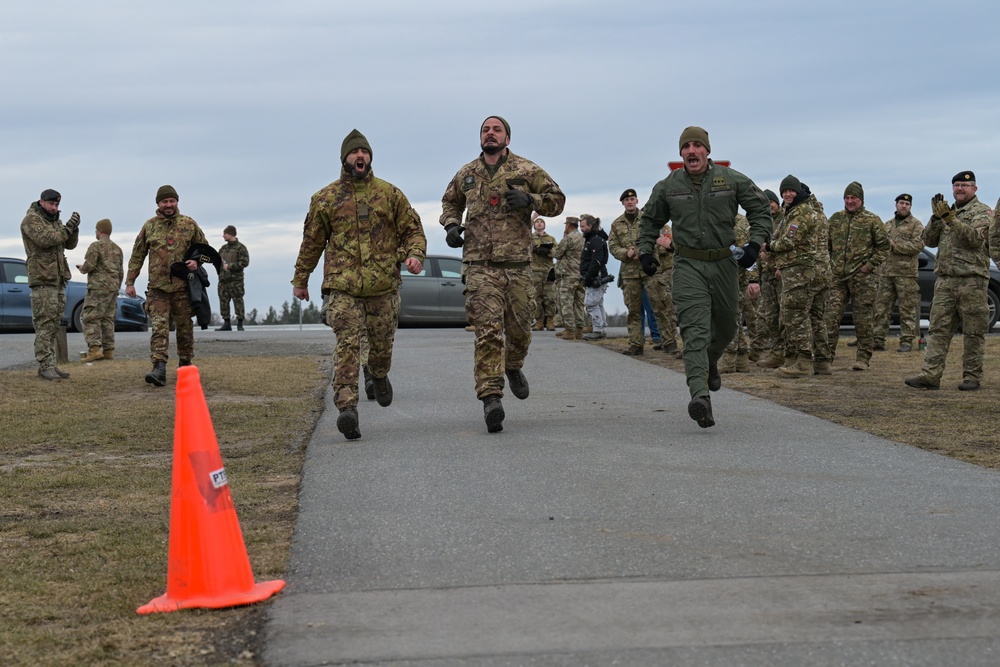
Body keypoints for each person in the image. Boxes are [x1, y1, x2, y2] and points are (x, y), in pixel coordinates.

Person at [292, 129, 426, 440]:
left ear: (370, 157)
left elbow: (413, 231)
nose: (360, 156)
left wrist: (415, 255)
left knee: (380, 346)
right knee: (347, 343)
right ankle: (347, 409)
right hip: (342, 287)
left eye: (364, 152)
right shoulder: (325, 199)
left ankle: (378, 373)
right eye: (354, 153)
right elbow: (311, 243)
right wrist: (301, 279)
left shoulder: (390, 194)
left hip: (383, 287)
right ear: (345, 158)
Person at [637, 127, 771, 428]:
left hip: (724, 263)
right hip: (688, 265)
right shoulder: (668, 186)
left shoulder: (731, 179)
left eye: (698, 146)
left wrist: (754, 243)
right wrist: (646, 252)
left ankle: (709, 364)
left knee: (726, 327)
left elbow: (761, 211)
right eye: (686, 147)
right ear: (680, 153)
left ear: (707, 151)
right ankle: (700, 396)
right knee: (695, 329)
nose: (692, 151)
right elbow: (649, 222)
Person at [440, 116, 565, 433]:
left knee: (521, 329)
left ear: (507, 139)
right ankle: (491, 397)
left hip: (518, 268)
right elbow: (450, 202)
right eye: (485, 130)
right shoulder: (467, 174)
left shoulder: (526, 170)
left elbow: (557, 201)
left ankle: (513, 365)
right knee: (488, 332)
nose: (490, 134)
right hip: (480, 267)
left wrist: (531, 200)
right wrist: (452, 225)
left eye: (496, 130)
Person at [906, 171, 993, 391]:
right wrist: (936, 218)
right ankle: (930, 376)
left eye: (965, 186)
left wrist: (951, 220)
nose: (959, 189)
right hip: (945, 281)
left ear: (975, 189)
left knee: (973, 332)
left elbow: (975, 239)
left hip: (971, 281)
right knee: (938, 330)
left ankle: (972, 377)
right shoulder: (946, 212)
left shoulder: (982, 212)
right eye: (956, 186)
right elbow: (927, 240)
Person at [126, 185, 209, 387]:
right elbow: (137, 255)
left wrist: (197, 261)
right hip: (158, 289)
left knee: (184, 328)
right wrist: (130, 281)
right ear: (158, 204)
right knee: (159, 328)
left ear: (177, 202)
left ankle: (186, 365)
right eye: (165, 201)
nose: (169, 205)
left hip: (183, 288)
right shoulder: (150, 226)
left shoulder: (189, 224)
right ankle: (159, 368)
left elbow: (206, 251)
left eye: (172, 201)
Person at [767, 176, 830, 378]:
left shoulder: (802, 213)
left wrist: (768, 247)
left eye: (791, 191)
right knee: (811, 316)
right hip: (805, 269)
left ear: (799, 192)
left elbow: (788, 241)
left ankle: (803, 362)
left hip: (800, 270)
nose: (787, 194)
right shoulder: (796, 211)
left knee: (795, 314)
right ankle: (820, 362)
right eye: (784, 191)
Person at [824, 182, 890, 370]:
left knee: (862, 318)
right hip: (837, 278)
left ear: (861, 199)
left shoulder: (872, 220)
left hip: (863, 278)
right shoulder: (835, 219)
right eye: (847, 198)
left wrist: (869, 266)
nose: (850, 201)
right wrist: (830, 265)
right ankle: (825, 358)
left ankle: (863, 358)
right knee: (830, 317)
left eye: (854, 198)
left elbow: (884, 247)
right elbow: (826, 245)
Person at [20, 188, 80, 380]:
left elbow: (69, 244)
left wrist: (74, 229)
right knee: (44, 323)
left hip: (57, 278)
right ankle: (45, 365)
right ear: (42, 202)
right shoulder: (31, 220)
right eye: (52, 204)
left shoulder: (55, 221)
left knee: (54, 323)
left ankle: (50, 365)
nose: (54, 208)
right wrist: (67, 228)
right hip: (42, 278)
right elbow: (46, 240)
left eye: (57, 205)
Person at [609, 188, 674, 356]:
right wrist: (626, 253)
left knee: (660, 305)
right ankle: (636, 344)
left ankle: (668, 342)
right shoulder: (616, 224)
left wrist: (648, 250)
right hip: (630, 273)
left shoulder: (648, 219)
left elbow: (663, 240)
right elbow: (613, 246)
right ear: (623, 203)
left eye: (632, 200)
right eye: (626, 200)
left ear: (637, 201)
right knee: (634, 310)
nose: (630, 202)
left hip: (650, 269)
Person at [872, 194, 924, 353]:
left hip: (906, 274)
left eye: (907, 204)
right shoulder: (887, 225)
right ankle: (877, 339)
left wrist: (895, 245)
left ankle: (906, 341)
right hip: (886, 273)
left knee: (907, 309)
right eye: (901, 203)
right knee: (881, 308)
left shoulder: (916, 225)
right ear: (896, 204)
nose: (904, 206)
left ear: (910, 206)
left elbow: (918, 246)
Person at [75, 219, 124, 363]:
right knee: (108, 319)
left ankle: (94, 350)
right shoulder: (118, 249)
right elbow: (120, 271)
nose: (96, 233)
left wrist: (82, 268)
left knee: (90, 317)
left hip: (97, 287)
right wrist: (116, 286)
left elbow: (90, 265)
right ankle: (108, 351)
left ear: (100, 231)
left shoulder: (95, 246)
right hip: (113, 288)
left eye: (96, 230)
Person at [754, 190, 785, 368]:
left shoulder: (786, 220)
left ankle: (790, 352)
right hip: (765, 276)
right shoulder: (760, 222)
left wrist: (778, 264)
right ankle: (777, 352)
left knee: (786, 316)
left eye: (770, 202)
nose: (768, 206)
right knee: (770, 317)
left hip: (781, 274)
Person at [553, 216, 586, 340]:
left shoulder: (568, 238)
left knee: (566, 302)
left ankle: (570, 330)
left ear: (568, 225)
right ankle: (579, 330)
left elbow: (557, 254)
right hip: (581, 274)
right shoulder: (583, 237)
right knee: (579, 303)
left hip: (568, 274)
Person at [579, 214, 610, 341]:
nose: (581, 228)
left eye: (583, 226)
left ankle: (597, 330)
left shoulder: (595, 240)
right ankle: (601, 328)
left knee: (590, 303)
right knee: (598, 303)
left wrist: (588, 277)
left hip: (596, 277)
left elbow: (596, 261)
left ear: (590, 226)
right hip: (596, 275)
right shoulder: (592, 239)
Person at [216, 225, 250, 331]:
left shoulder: (241, 248)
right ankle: (227, 323)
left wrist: (230, 266)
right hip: (223, 280)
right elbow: (217, 260)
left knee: (238, 300)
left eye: (225, 233)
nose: (223, 236)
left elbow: (244, 262)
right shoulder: (223, 248)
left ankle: (240, 323)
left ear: (231, 234)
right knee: (223, 301)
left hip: (236, 280)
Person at [529, 216, 558, 330]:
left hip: (547, 271)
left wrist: (548, 251)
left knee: (550, 298)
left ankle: (550, 321)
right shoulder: (530, 238)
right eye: (537, 222)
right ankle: (539, 322)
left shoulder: (550, 238)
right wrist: (534, 249)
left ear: (544, 225)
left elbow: (556, 252)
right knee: (537, 298)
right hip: (534, 271)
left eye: (541, 222)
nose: (539, 224)